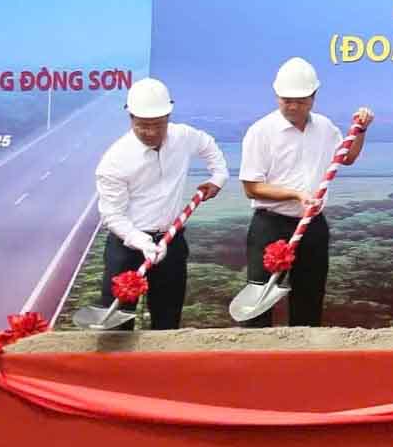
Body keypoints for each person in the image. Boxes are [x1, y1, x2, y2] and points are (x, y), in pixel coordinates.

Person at [238, 57, 373, 326]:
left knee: (310, 295)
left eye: (300, 101)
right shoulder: (260, 132)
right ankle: (256, 346)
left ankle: (304, 345)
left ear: (313, 97)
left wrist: (360, 131)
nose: (292, 106)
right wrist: (295, 195)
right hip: (271, 225)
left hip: (312, 225)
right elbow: (251, 188)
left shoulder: (324, 128)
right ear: (276, 96)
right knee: (260, 297)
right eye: (286, 100)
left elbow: (346, 158)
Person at [92, 78, 228, 330]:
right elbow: (112, 215)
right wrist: (142, 241)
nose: (151, 132)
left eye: (158, 124)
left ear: (168, 116)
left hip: (171, 240)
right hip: (127, 247)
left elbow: (208, 145)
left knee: (167, 319)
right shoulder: (114, 161)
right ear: (131, 118)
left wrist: (218, 177)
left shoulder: (182, 136)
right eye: (143, 126)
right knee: (117, 324)